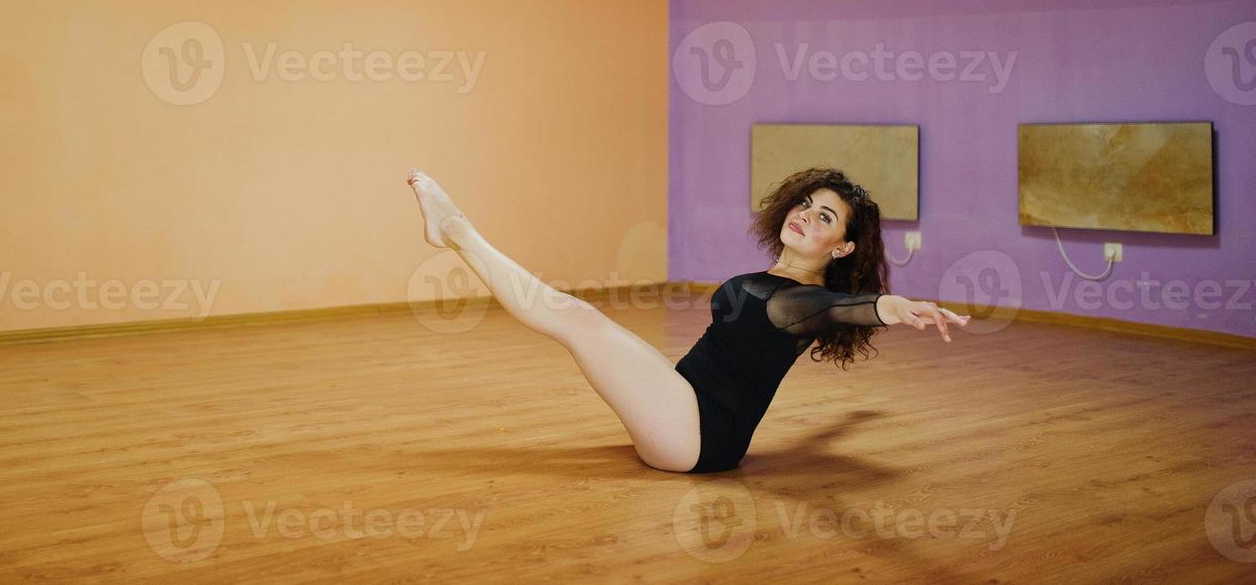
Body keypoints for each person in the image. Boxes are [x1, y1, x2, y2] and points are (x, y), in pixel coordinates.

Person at [406, 165, 970, 474]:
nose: (805, 216)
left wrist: (897, 308)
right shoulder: (779, 282)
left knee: (577, 319)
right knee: (580, 323)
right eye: (805, 204)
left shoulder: (805, 302)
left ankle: (456, 231)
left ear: (842, 248)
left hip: (698, 439)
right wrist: (849, 425)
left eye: (825, 217)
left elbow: (851, 307)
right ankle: (455, 233)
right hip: (684, 408)